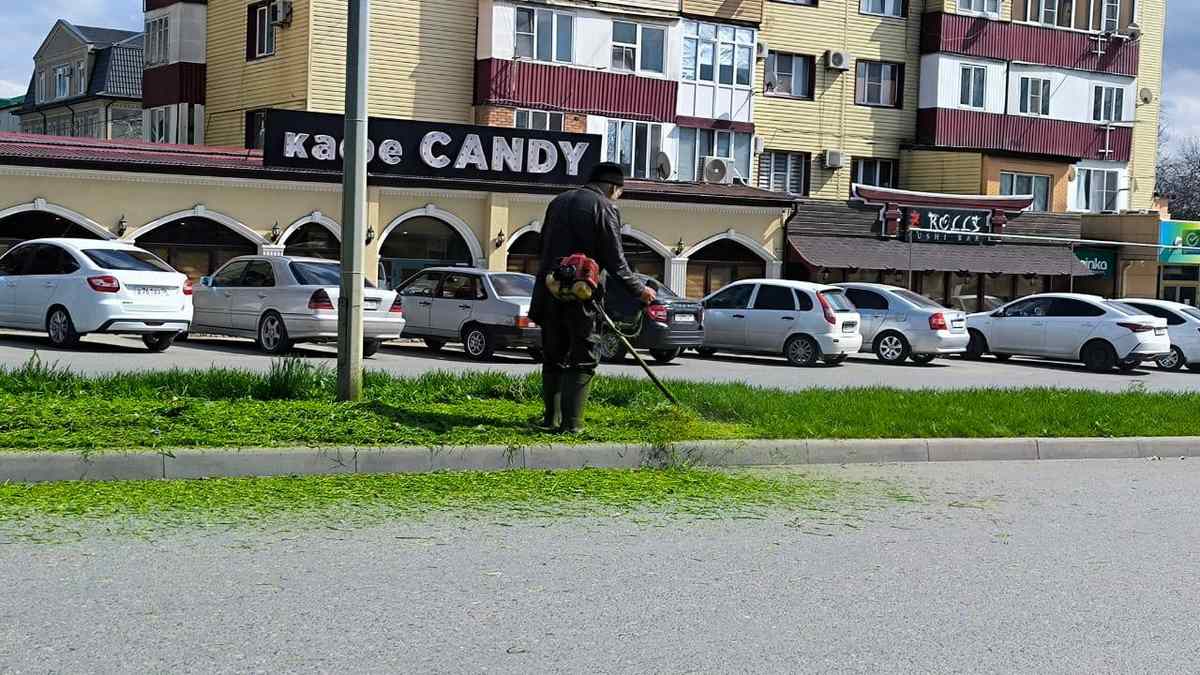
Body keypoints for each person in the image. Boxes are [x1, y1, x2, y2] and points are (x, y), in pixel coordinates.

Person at [529, 162, 656, 433]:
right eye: (620, 192)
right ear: (612, 187)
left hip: (551, 289)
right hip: (582, 294)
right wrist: (640, 290)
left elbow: (541, 247)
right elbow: (616, 260)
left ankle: (550, 419)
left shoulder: (558, 202)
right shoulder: (605, 207)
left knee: (553, 355)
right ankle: (573, 424)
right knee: (584, 355)